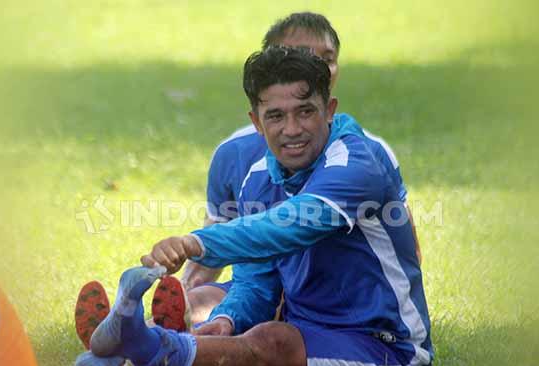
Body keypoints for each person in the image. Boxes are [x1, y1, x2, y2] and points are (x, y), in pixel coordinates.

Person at [72, 46, 432, 366]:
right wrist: (227, 319)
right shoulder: (258, 179)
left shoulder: (356, 162)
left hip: (388, 350)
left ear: (329, 109)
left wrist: (199, 242)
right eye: (275, 116)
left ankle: (139, 343)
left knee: (270, 341)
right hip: (304, 334)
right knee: (225, 347)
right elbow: (256, 282)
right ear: (256, 122)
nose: (291, 129)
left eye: (305, 112)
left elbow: (290, 226)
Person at [152, 11, 421, 330]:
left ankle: (158, 342)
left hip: (334, 303)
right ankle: (139, 333)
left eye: (328, 58)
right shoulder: (234, 154)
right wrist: (189, 285)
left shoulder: (365, 153)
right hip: (260, 285)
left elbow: (405, 252)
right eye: (302, 56)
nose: (319, 67)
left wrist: (195, 243)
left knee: (268, 326)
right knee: (207, 298)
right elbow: (237, 258)